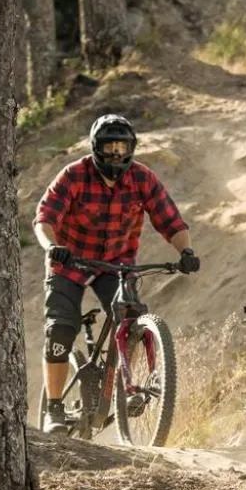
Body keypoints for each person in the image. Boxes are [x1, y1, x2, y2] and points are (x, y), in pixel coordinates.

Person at [33, 113, 199, 434]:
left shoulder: (143, 179)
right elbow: (45, 218)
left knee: (133, 319)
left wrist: (186, 252)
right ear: (96, 148)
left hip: (117, 264)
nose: (116, 154)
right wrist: (51, 246)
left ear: (132, 149)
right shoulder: (74, 175)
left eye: (122, 147)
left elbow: (171, 221)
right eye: (109, 147)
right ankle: (54, 407)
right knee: (61, 331)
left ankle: (128, 386)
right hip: (69, 264)